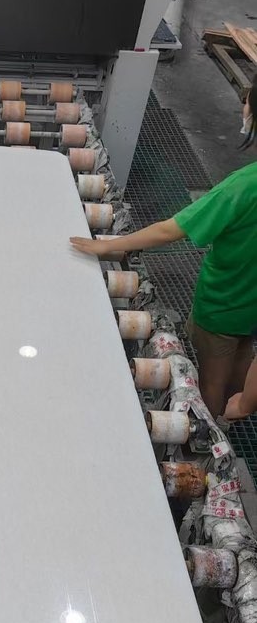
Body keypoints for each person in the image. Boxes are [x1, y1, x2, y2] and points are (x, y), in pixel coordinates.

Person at [70, 87, 257, 420]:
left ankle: (213, 430)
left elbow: (172, 229)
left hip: (224, 305)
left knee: (211, 387)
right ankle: (238, 404)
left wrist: (109, 245)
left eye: (247, 103)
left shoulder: (243, 187)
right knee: (242, 363)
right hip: (250, 310)